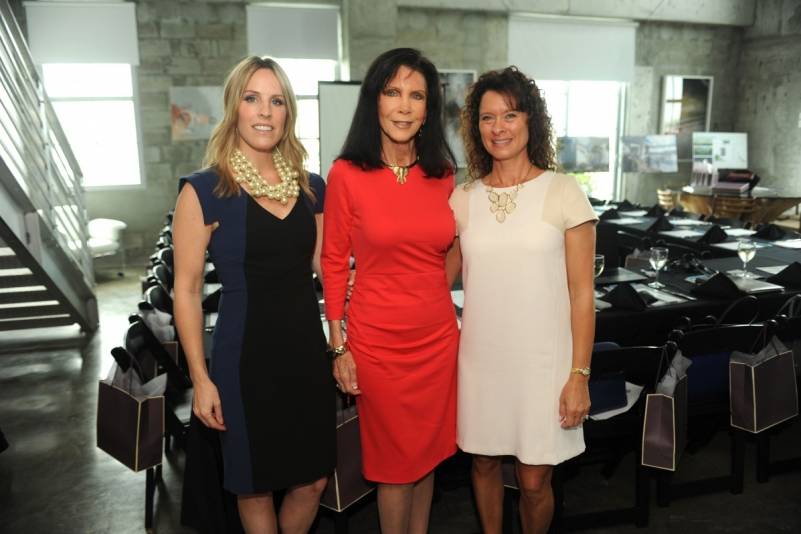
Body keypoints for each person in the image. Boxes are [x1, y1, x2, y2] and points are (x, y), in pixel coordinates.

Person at [172, 56, 334, 534]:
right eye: (252, 98)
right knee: (254, 485)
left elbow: (329, 270)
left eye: (276, 101)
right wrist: (200, 378)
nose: (265, 111)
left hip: (305, 354)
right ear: (234, 108)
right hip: (242, 360)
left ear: (288, 113)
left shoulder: (312, 188)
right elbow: (186, 291)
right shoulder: (204, 190)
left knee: (313, 481)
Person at [448, 66, 597, 534]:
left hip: (542, 364)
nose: (499, 127)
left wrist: (579, 375)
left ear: (531, 120)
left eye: (510, 115)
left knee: (533, 480)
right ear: (476, 127)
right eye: (487, 117)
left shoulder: (564, 192)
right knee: (483, 463)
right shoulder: (462, 199)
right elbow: (434, 280)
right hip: (480, 359)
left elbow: (582, 294)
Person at [321, 48, 458, 534]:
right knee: (395, 470)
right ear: (374, 101)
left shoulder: (443, 174)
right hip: (376, 345)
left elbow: (453, 250)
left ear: (429, 108)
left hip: (438, 341)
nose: (404, 106)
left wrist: (428, 296)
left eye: (416, 96)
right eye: (393, 92)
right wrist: (339, 346)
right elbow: (333, 261)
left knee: (427, 460)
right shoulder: (346, 174)